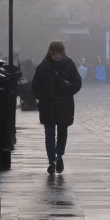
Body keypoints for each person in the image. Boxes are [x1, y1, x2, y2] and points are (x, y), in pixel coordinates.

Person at [31, 41, 83, 175]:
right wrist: (42, 96)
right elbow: (35, 86)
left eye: (58, 52)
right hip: (48, 105)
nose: (57, 55)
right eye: (54, 52)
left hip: (64, 105)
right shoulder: (43, 67)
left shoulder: (69, 64)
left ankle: (58, 156)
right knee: (49, 133)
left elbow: (77, 83)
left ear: (62, 52)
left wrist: (67, 90)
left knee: (62, 133)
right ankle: (51, 160)